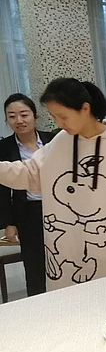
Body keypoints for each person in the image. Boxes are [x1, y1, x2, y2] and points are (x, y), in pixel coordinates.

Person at [0, 79, 106, 290]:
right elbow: (30, 173)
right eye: (54, 117)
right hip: (69, 246)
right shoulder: (61, 141)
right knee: (73, 302)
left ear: (85, 109)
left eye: (63, 116)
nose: (59, 123)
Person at [0, 94, 56, 296]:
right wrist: (9, 223)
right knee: (34, 265)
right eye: (12, 116)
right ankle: (39, 304)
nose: (19, 120)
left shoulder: (53, 140)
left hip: (57, 209)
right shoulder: (3, 148)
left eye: (24, 114)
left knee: (63, 257)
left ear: (35, 116)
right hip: (27, 213)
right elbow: (2, 190)